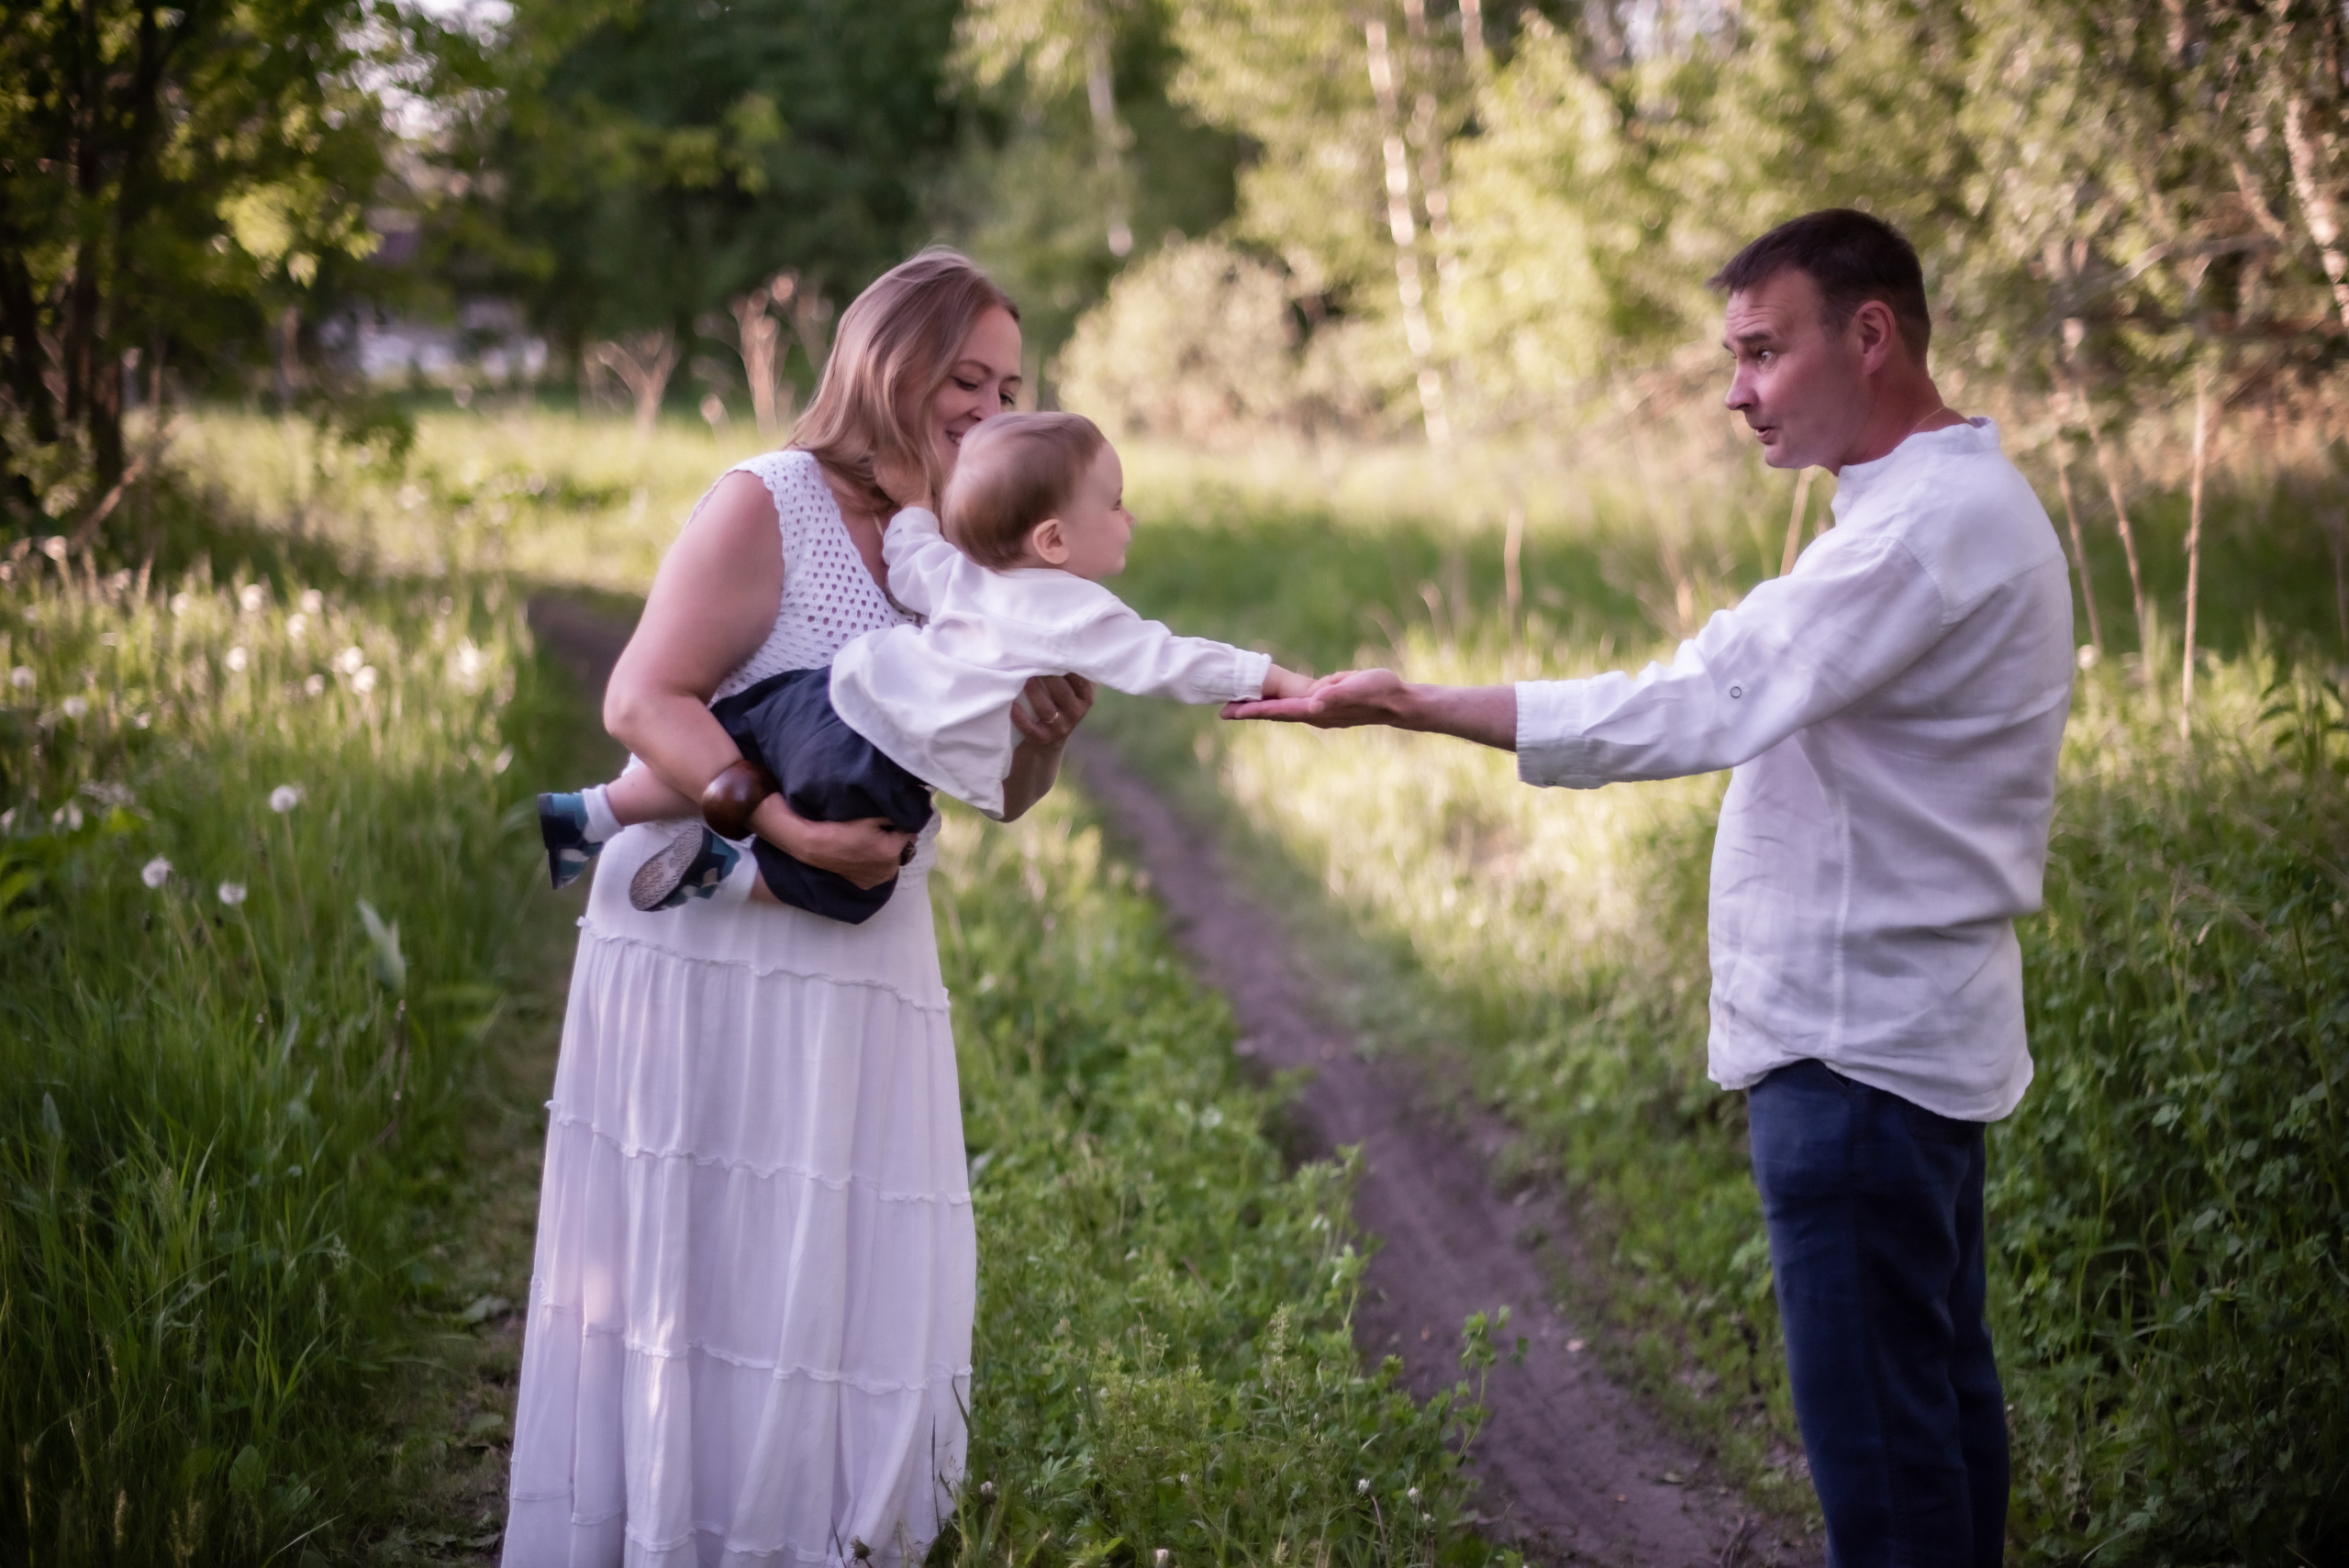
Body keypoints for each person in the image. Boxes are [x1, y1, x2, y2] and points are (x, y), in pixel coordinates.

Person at [1227, 208, 2073, 1568]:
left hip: (1856, 1056)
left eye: (1761, 351)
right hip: (1906, 1040)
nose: (1736, 392)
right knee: (1937, 1421)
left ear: (1871, 333)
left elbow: (1696, 702)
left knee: (1892, 1472)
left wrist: (1415, 703)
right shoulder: (1947, 504)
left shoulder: (1914, 535)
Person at [502, 249, 1095, 1568]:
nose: (992, 408)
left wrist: (1041, 744)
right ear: (892, 367)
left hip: (867, 959)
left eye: (1013, 384)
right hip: (712, 953)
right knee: (718, 1271)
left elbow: (988, 791)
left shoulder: (973, 556)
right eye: (966, 378)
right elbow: (641, 698)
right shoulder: (769, 503)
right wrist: (772, 823)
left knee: (847, 1282)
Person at [537, 411, 1311, 921]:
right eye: (1115, 503)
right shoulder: (1081, 616)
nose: (1129, 516)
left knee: (740, 731)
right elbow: (1168, 659)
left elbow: (912, 559)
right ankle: (728, 873)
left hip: (833, 696)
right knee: (864, 879)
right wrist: (1275, 678)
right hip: (886, 763)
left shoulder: (969, 578)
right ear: (1051, 541)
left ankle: (594, 812)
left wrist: (910, 498)